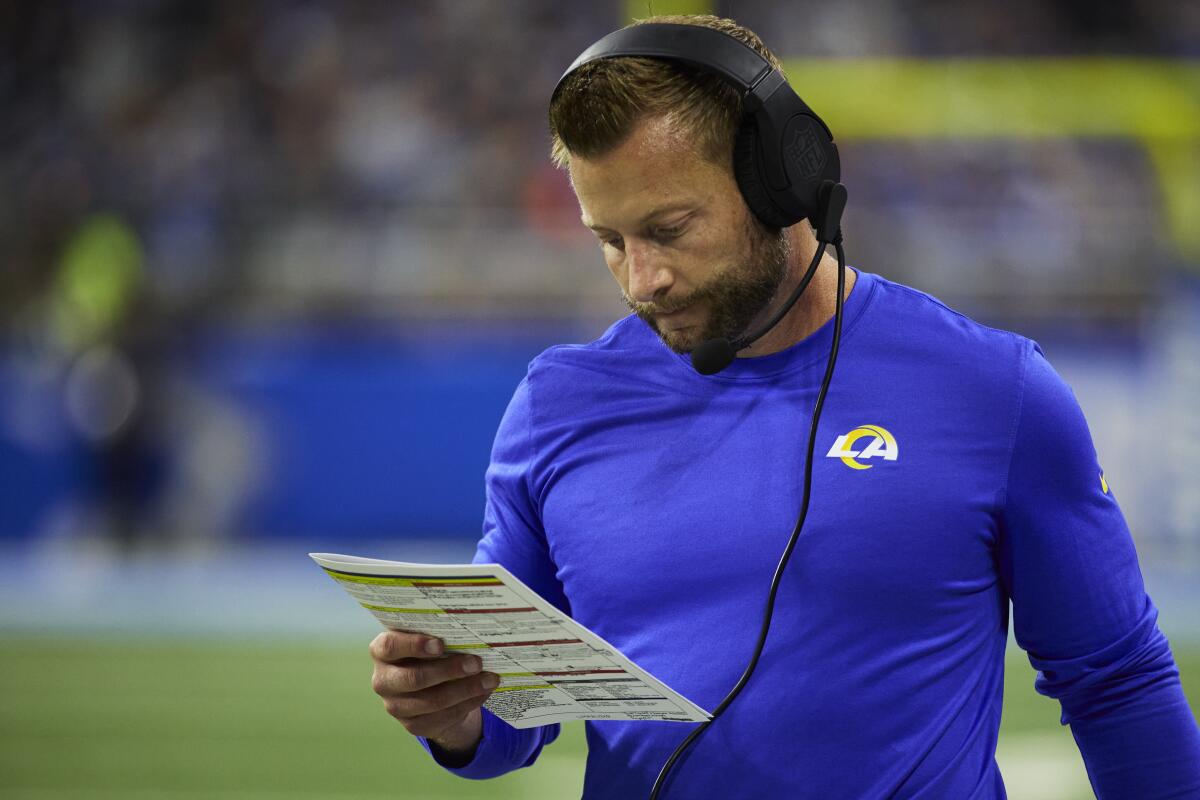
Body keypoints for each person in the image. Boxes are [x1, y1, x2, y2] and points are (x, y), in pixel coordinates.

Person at [367, 14, 1200, 799]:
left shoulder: (995, 391)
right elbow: (516, 708)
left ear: (780, 181)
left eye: (669, 228)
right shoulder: (558, 404)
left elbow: (1118, 683)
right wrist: (457, 715)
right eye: (610, 241)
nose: (641, 280)